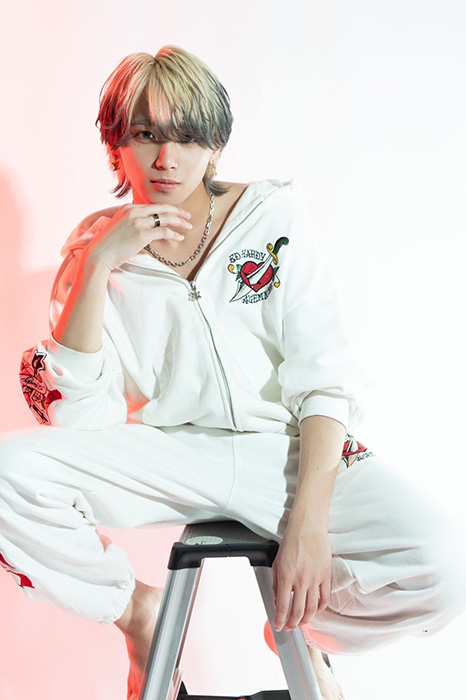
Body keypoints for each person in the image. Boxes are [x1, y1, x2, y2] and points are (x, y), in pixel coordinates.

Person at [1, 45, 465, 700]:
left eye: (187, 137)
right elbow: (81, 420)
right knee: (6, 473)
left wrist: (309, 523)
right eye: (146, 135)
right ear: (116, 146)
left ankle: (302, 627)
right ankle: (139, 613)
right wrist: (101, 264)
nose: (167, 159)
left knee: (446, 564)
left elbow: (323, 371)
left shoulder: (270, 220)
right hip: (170, 454)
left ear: (215, 146)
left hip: (285, 452)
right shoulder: (92, 256)